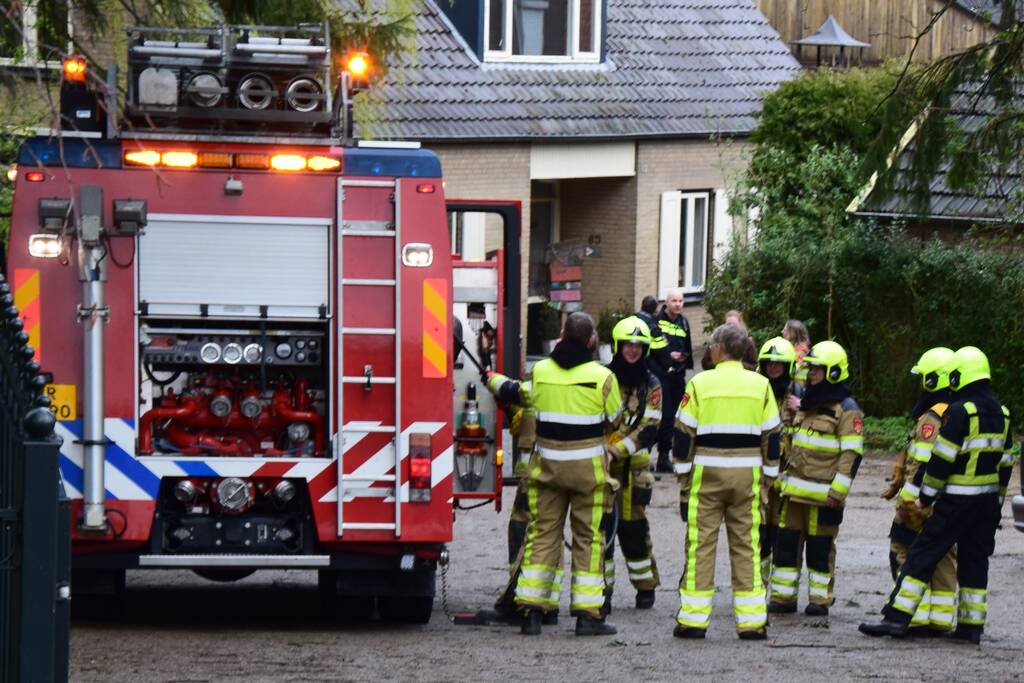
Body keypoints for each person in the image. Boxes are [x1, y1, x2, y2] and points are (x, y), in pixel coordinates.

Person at [860, 346, 1015, 645]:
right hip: (985, 505)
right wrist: (996, 505)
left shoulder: (960, 412)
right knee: (974, 561)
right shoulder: (1004, 414)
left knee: (921, 554)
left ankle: (896, 618)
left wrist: (925, 499)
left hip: (956, 502)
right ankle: (970, 627)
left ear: (958, 377)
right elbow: (1005, 465)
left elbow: (941, 461)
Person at [485, 312, 622, 636]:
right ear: (591, 340)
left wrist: (491, 378)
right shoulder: (604, 377)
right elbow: (615, 418)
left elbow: (516, 392)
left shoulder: (542, 371)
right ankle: (588, 617)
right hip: (588, 474)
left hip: (547, 469)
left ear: (562, 335)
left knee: (542, 535)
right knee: (588, 539)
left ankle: (532, 612)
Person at [672, 323, 782, 640]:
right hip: (747, 477)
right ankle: (751, 622)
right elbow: (772, 436)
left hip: (706, 475)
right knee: (747, 546)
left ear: (718, 349)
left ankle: (693, 620)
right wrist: (769, 476)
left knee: (700, 546)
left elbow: (683, 433)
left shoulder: (699, 383)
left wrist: (683, 473)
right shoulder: (761, 385)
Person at [768, 340, 864, 617]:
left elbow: (851, 454)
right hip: (793, 494)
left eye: (817, 369)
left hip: (824, 497)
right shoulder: (807, 403)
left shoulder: (847, 409)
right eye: (810, 369)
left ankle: (819, 600)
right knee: (785, 546)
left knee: (820, 550)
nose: (811, 374)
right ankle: (783, 598)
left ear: (833, 372)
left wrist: (838, 492)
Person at [877, 347, 957, 636]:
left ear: (933, 380)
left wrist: (909, 501)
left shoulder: (931, 419)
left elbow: (923, 463)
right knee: (943, 557)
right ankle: (940, 618)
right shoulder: (957, 413)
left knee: (902, 549)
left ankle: (913, 613)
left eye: (923, 378)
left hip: (922, 501)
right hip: (946, 501)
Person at [602, 316, 662, 611]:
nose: (633, 350)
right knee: (602, 532)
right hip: (603, 471)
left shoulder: (651, 384)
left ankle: (645, 586)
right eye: (628, 344)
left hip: (634, 472)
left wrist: (615, 451)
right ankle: (602, 591)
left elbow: (649, 429)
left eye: (639, 345)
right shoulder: (604, 379)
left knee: (634, 531)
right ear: (618, 346)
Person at [755, 336, 803, 583]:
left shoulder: (799, 394)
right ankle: (758, 584)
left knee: (783, 532)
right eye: (769, 363)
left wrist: (802, 409)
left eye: (778, 363)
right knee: (760, 530)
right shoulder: (755, 391)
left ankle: (780, 587)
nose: (773, 367)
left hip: (787, 474)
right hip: (760, 473)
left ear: (788, 366)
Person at [652, 289, 693, 473]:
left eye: (680, 301)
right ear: (666, 303)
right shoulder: (657, 321)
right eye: (674, 301)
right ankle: (659, 455)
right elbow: (654, 348)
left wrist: (685, 358)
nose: (678, 304)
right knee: (665, 416)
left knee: (677, 416)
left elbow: (688, 345)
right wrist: (668, 357)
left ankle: (667, 455)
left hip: (678, 375)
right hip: (662, 376)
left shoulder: (684, 322)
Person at [782, 319, 811, 384]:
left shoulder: (801, 352)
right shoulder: (793, 348)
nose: (782, 332)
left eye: (785, 330)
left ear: (792, 333)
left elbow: (801, 376)